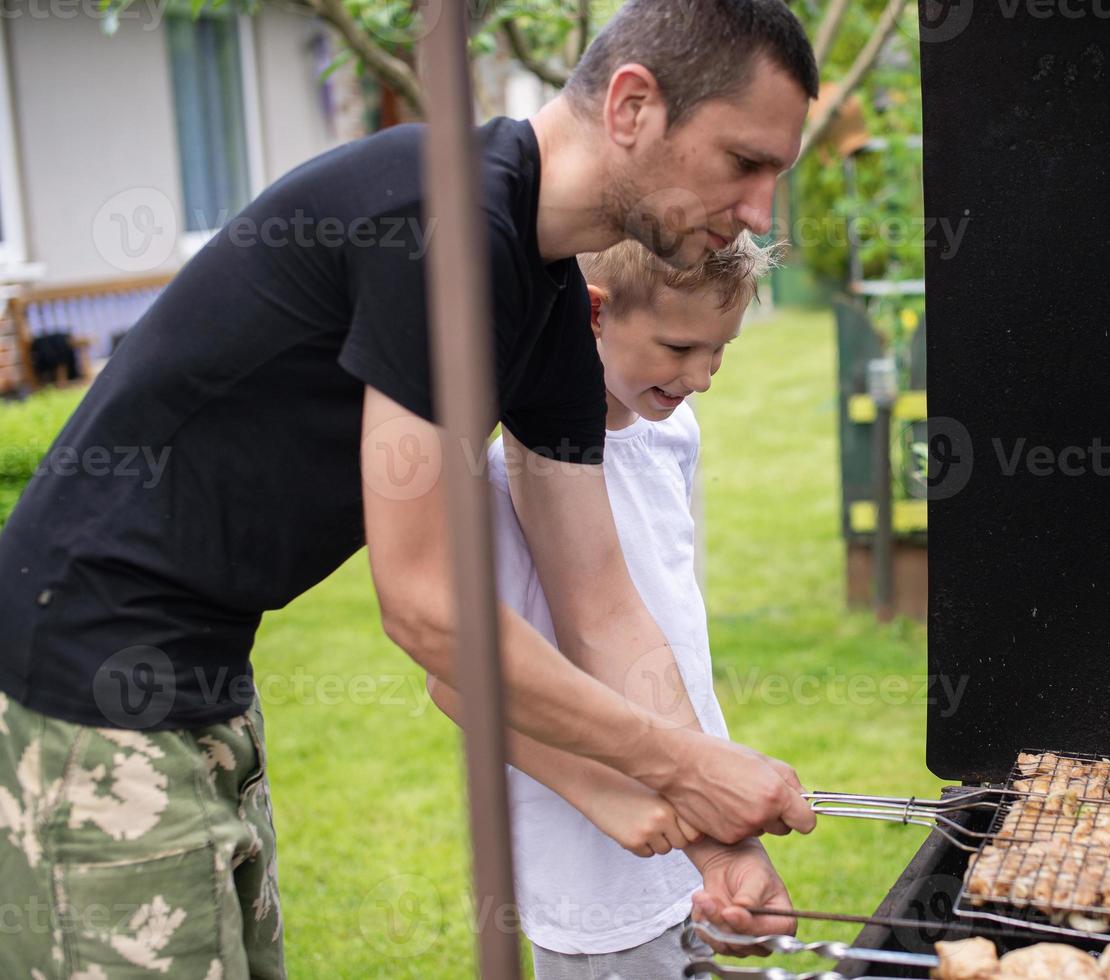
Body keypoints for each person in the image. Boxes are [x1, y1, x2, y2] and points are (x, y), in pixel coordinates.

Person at [0, 1, 819, 975]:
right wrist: (686, 766)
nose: (761, 212)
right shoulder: (444, 228)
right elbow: (431, 609)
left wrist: (718, 842)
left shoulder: (546, 295)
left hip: (208, 675)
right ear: (634, 107)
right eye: (745, 163)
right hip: (87, 677)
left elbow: (602, 603)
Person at [429, 232, 793, 977]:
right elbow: (455, 682)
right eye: (680, 347)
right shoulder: (504, 477)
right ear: (592, 314)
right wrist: (601, 794)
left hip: (689, 819)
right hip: (592, 869)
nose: (703, 377)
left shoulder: (672, 432)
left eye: (719, 350)